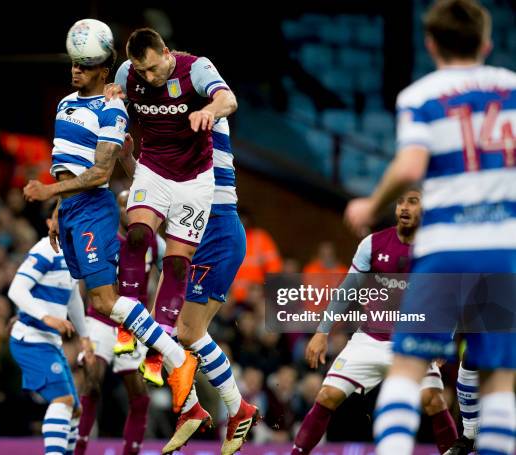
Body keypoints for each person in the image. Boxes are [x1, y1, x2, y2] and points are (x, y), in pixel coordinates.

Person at [344, 1, 516, 454]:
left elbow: (410, 165)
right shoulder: (512, 88)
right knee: (499, 379)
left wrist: (371, 205)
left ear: (431, 44)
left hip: (446, 249)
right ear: (486, 43)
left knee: (407, 368)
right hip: (502, 250)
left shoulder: (420, 95)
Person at [22, 20, 198, 414]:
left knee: (103, 300)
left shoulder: (112, 108)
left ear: (104, 68)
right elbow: (67, 165)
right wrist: (56, 209)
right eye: (74, 63)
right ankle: (168, 352)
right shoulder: (66, 103)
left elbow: (101, 172)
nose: (76, 70)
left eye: (86, 64)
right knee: (98, 302)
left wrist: (49, 191)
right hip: (69, 212)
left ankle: (173, 355)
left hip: (94, 209)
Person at [105, 28, 238, 393]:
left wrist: (209, 110)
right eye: (140, 71)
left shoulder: (194, 69)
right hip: (153, 168)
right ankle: (127, 320)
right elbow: (116, 111)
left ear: (165, 52)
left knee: (177, 264)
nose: (147, 77)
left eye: (152, 68)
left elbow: (229, 100)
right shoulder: (127, 75)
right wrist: (113, 102)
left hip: (196, 177)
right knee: (136, 235)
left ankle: (157, 350)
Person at [293, 189, 458, 454]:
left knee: (434, 401)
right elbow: (347, 290)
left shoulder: (435, 249)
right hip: (369, 339)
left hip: (412, 342)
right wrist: (322, 332)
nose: (404, 207)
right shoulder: (373, 244)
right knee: (326, 396)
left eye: (413, 202)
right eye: (401, 202)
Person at [160, 114, 259, 454]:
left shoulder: (203, 110)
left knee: (185, 332)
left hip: (215, 229)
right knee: (176, 328)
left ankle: (232, 408)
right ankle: (204, 409)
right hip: (200, 231)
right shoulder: (180, 118)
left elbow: (226, 100)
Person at [75, 190, 165, 455]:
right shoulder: (103, 238)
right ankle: (78, 446)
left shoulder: (155, 243)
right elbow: (84, 280)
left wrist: (157, 313)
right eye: (123, 205)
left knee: (139, 395)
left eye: (132, 206)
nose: (128, 211)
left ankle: (132, 449)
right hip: (101, 318)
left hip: (133, 324)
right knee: (92, 379)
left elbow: (172, 275)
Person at [8, 213, 91, 455]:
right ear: (49, 223)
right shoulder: (44, 250)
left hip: (49, 342)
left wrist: (84, 337)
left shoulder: (73, 254)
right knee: (63, 401)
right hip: (32, 339)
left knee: (75, 409)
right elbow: (16, 290)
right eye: (60, 218)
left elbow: (73, 296)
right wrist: (46, 317)